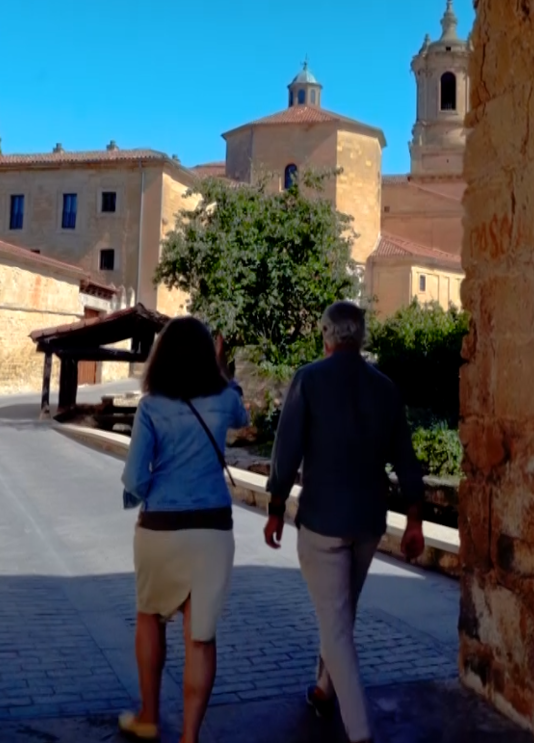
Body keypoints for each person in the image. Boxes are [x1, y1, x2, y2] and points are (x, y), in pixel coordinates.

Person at [263, 301, 425, 743]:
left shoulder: (309, 380)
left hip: (322, 522)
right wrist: (414, 519)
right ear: (362, 336)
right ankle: (322, 688)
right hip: (369, 523)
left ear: (326, 335)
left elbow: (286, 449)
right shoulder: (386, 389)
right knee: (341, 612)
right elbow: (407, 460)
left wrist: (276, 505)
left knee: (336, 624)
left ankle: (360, 732)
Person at [119, 317, 248, 743]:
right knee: (201, 636)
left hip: (160, 527)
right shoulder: (225, 399)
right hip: (212, 529)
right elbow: (242, 415)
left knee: (149, 617)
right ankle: (190, 737)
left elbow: (136, 478)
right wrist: (221, 367)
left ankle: (150, 714)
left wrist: (138, 502)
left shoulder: (151, 406)